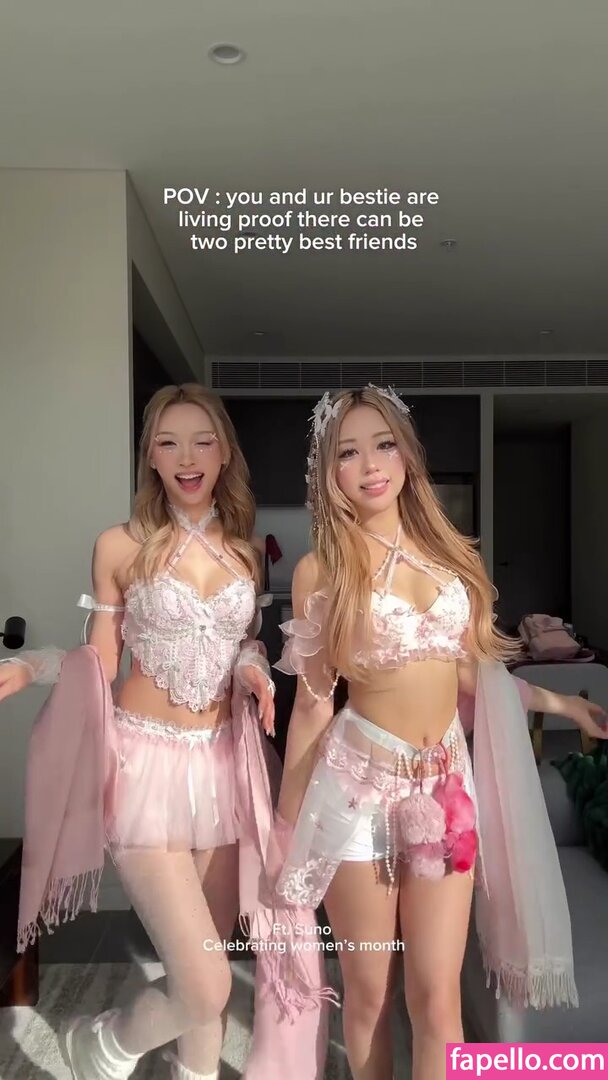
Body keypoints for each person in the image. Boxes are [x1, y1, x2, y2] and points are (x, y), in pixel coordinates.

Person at [271, 385, 608, 1080]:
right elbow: (311, 708)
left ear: (407, 454)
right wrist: (282, 826)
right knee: (370, 996)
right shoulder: (320, 571)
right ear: (328, 472)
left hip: (445, 794)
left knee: (438, 997)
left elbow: (471, 675)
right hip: (358, 795)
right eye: (348, 452)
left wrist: (564, 705)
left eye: (384, 444)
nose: (371, 465)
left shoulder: (452, 557)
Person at [0, 384, 278, 1080]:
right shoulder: (119, 545)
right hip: (142, 769)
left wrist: (254, 669)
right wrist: (33, 665)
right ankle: (102, 1046)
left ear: (224, 453)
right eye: (167, 443)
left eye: (202, 441)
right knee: (205, 984)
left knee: (206, 972)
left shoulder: (247, 552)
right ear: (149, 456)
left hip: (220, 769)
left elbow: (242, 642)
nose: (187, 458)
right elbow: (99, 661)